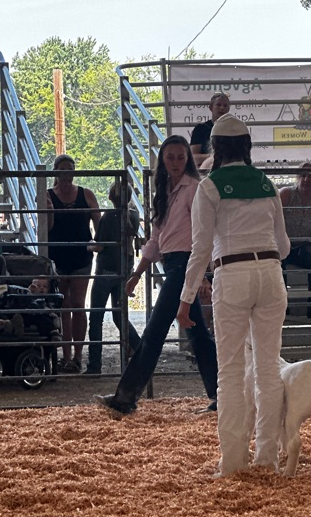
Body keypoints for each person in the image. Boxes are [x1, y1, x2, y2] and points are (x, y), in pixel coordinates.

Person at [178, 114, 290, 477]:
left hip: (232, 273)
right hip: (272, 274)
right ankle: (267, 459)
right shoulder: (268, 184)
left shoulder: (208, 188)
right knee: (268, 370)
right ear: (247, 147)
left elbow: (199, 250)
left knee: (229, 372)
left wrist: (186, 298)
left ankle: (232, 463)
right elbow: (285, 246)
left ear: (216, 147)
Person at [96, 135, 218, 416]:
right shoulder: (164, 191)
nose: (175, 162)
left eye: (180, 157)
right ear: (163, 161)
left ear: (188, 159)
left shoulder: (194, 189)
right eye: (170, 157)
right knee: (197, 334)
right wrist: (137, 273)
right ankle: (221, 393)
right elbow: (157, 238)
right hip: (175, 264)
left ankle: (125, 396)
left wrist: (200, 274)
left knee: (155, 330)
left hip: (184, 264)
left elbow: (202, 234)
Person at [46, 154, 100, 373]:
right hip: (57, 258)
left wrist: (97, 243)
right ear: (56, 173)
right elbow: (46, 228)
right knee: (63, 306)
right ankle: (65, 356)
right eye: (63, 170)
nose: (67, 174)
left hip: (80, 258)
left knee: (78, 303)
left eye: (71, 169)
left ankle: (77, 356)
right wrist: (49, 212)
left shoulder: (86, 195)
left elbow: (99, 223)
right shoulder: (48, 196)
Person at [85, 181, 142, 376]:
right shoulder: (134, 215)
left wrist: (88, 245)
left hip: (105, 271)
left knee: (96, 317)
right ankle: (139, 348)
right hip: (124, 269)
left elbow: (100, 246)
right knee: (120, 315)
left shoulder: (109, 216)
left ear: (111, 197)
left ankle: (94, 365)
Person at [280, 162, 311, 320]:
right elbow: (272, 221)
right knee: (275, 259)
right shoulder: (286, 194)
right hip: (283, 244)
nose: (307, 179)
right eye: (303, 175)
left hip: (304, 247)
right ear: (297, 177)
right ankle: (281, 307)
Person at [189, 91, 231, 168]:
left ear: (228, 109)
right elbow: (192, 158)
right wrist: (213, 157)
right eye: (218, 105)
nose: (222, 108)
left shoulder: (233, 129)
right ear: (211, 107)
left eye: (225, 106)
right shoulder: (200, 129)